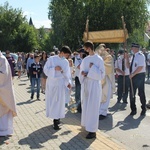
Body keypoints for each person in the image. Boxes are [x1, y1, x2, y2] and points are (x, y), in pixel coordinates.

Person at [79, 41, 105, 139]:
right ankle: (87, 126)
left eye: (85, 48)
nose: (84, 50)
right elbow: (82, 70)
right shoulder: (85, 59)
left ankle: (93, 131)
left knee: (93, 107)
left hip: (94, 85)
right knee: (86, 106)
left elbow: (102, 75)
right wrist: (83, 74)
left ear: (89, 48)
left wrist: (92, 68)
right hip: (86, 84)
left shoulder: (99, 59)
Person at [44, 46, 72, 130]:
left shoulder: (66, 62)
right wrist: (54, 69)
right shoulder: (51, 59)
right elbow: (45, 70)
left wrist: (68, 83)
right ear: (62, 52)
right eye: (66, 54)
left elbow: (67, 73)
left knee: (60, 102)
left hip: (60, 83)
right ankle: (55, 120)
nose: (67, 57)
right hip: (52, 83)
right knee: (54, 102)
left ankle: (57, 119)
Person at [95, 44, 115, 120]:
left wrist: (98, 63)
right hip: (99, 79)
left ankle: (103, 112)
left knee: (105, 96)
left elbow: (107, 67)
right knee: (99, 96)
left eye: (101, 49)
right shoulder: (98, 58)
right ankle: (99, 111)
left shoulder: (109, 57)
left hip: (107, 79)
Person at [0, 51, 17, 136]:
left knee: (5, 110)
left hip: (4, 89)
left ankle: (5, 130)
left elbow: (3, 74)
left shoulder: (2, 59)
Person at [129, 43, 146, 116]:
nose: (131, 49)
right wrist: (126, 58)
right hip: (133, 76)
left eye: (132, 48)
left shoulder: (140, 56)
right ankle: (133, 109)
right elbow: (129, 65)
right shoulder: (133, 56)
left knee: (141, 93)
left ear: (136, 48)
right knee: (132, 93)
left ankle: (143, 108)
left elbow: (140, 67)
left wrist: (133, 74)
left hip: (139, 75)